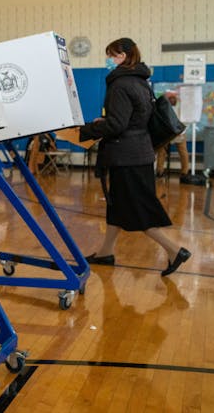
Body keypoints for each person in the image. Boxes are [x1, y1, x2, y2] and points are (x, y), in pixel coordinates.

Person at [79, 37, 191, 276]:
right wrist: (108, 122)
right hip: (139, 152)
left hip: (126, 156)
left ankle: (175, 250)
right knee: (118, 207)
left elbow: (117, 125)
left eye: (112, 55)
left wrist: (87, 130)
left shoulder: (120, 84)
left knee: (138, 211)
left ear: (123, 56)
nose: (109, 60)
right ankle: (105, 253)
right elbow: (133, 119)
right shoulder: (141, 81)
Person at [154, 91, 190, 181]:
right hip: (167, 133)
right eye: (170, 98)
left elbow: (184, 120)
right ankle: (159, 171)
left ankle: (184, 172)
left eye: (173, 98)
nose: (172, 99)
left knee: (183, 152)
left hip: (179, 132)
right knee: (161, 152)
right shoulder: (164, 107)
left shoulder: (181, 107)